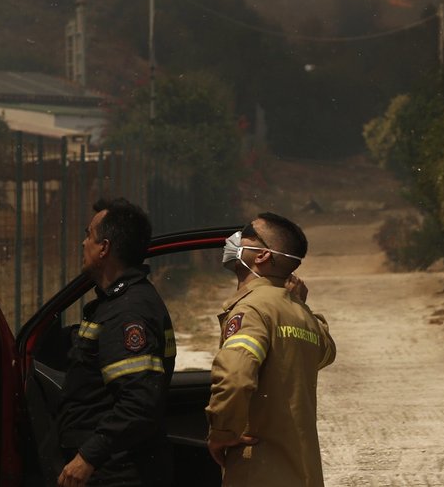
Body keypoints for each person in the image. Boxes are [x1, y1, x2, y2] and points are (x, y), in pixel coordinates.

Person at [206, 212, 336, 486]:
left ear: (262, 255)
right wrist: (302, 305)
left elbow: (235, 378)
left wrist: (222, 433)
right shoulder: (300, 313)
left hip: (260, 472)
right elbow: (326, 352)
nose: (234, 238)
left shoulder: (252, 309)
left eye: (245, 232)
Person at [55, 197, 176, 487]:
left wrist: (88, 457)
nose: (83, 243)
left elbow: (138, 402)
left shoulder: (128, 312)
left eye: (88, 235)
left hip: (116, 471)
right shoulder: (118, 305)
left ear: (105, 248)